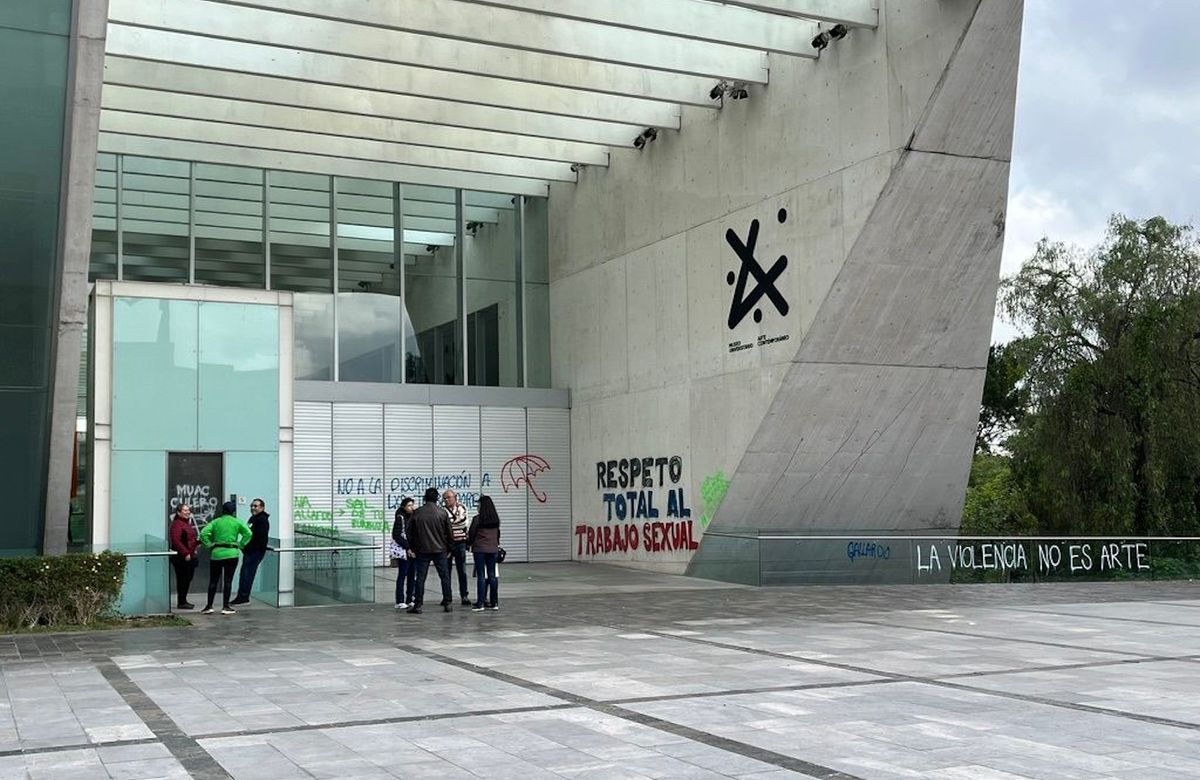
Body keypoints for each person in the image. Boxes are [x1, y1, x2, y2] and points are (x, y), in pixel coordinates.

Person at [198, 500, 252, 615]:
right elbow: (248, 533)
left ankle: (209, 606)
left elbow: (203, 533)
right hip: (232, 554)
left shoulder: (216, 522)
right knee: (228, 581)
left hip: (216, 554)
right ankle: (226, 606)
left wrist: (209, 545)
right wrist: (241, 544)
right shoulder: (237, 522)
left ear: (222, 510)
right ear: (233, 511)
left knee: (213, 580)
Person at [407, 487, 454, 614]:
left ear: (425, 498)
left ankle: (418, 604)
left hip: (423, 550)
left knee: (421, 577)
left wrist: (413, 547)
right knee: (444, 577)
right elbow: (449, 533)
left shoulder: (417, 513)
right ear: (437, 498)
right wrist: (450, 548)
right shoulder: (442, 513)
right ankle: (448, 602)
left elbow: (409, 531)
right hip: (440, 549)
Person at [231, 498, 269, 606]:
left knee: (247, 574)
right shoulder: (253, 518)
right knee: (244, 573)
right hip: (249, 552)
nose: (253, 508)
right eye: (252, 506)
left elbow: (259, 538)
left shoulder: (262, 520)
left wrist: (249, 548)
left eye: (255, 506)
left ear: (261, 507)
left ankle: (243, 597)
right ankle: (241, 596)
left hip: (255, 552)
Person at [467, 495, 501, 612]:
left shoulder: (477, 519)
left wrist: (469, 544)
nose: (477, 507)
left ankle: (480, 603)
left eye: (478, 505)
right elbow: (498, 535)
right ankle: (494, 602)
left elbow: (471, 534)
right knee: (492, 576)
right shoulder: (495, 519)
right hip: (493, 550)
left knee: (481, 575)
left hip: (480, 550)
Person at [443, 489, 471, 606]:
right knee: (446, 571)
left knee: (462, 570)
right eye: (445, 498)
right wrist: (453, 523)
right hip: (447, 544)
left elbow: (463, 523)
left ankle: (464, 595)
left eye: (449, 497)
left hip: (460, 543)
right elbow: (444, 525)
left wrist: (450, 524)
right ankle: (447, 596)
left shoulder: (462, 508)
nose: (447, 500)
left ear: (455, 497)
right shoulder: (442, 510)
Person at [168, 505, 199, 610]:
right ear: (178, 512)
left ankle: (183, 600)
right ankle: (181, 601)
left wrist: (197, 543)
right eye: (185, 510)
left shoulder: (186, 523)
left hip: (189, 555)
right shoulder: (177, 524)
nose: (188, 512)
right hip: (182, 557)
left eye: (188, 510)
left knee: (187, 578)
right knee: (183, 579)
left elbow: (189, 539)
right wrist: (185, 553)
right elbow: (176, 541)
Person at [390, 498, 417, 609]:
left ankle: (409, 598)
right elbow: (396, 535)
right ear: (404, 507)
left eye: (412, 505)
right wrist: (408, 547)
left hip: (413, 551)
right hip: (404, 551)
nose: (412, 507)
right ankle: (400, 600)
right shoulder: (400, 518)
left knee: (412, 575)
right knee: (402, 575)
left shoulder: (413, 517)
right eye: (409, 505)